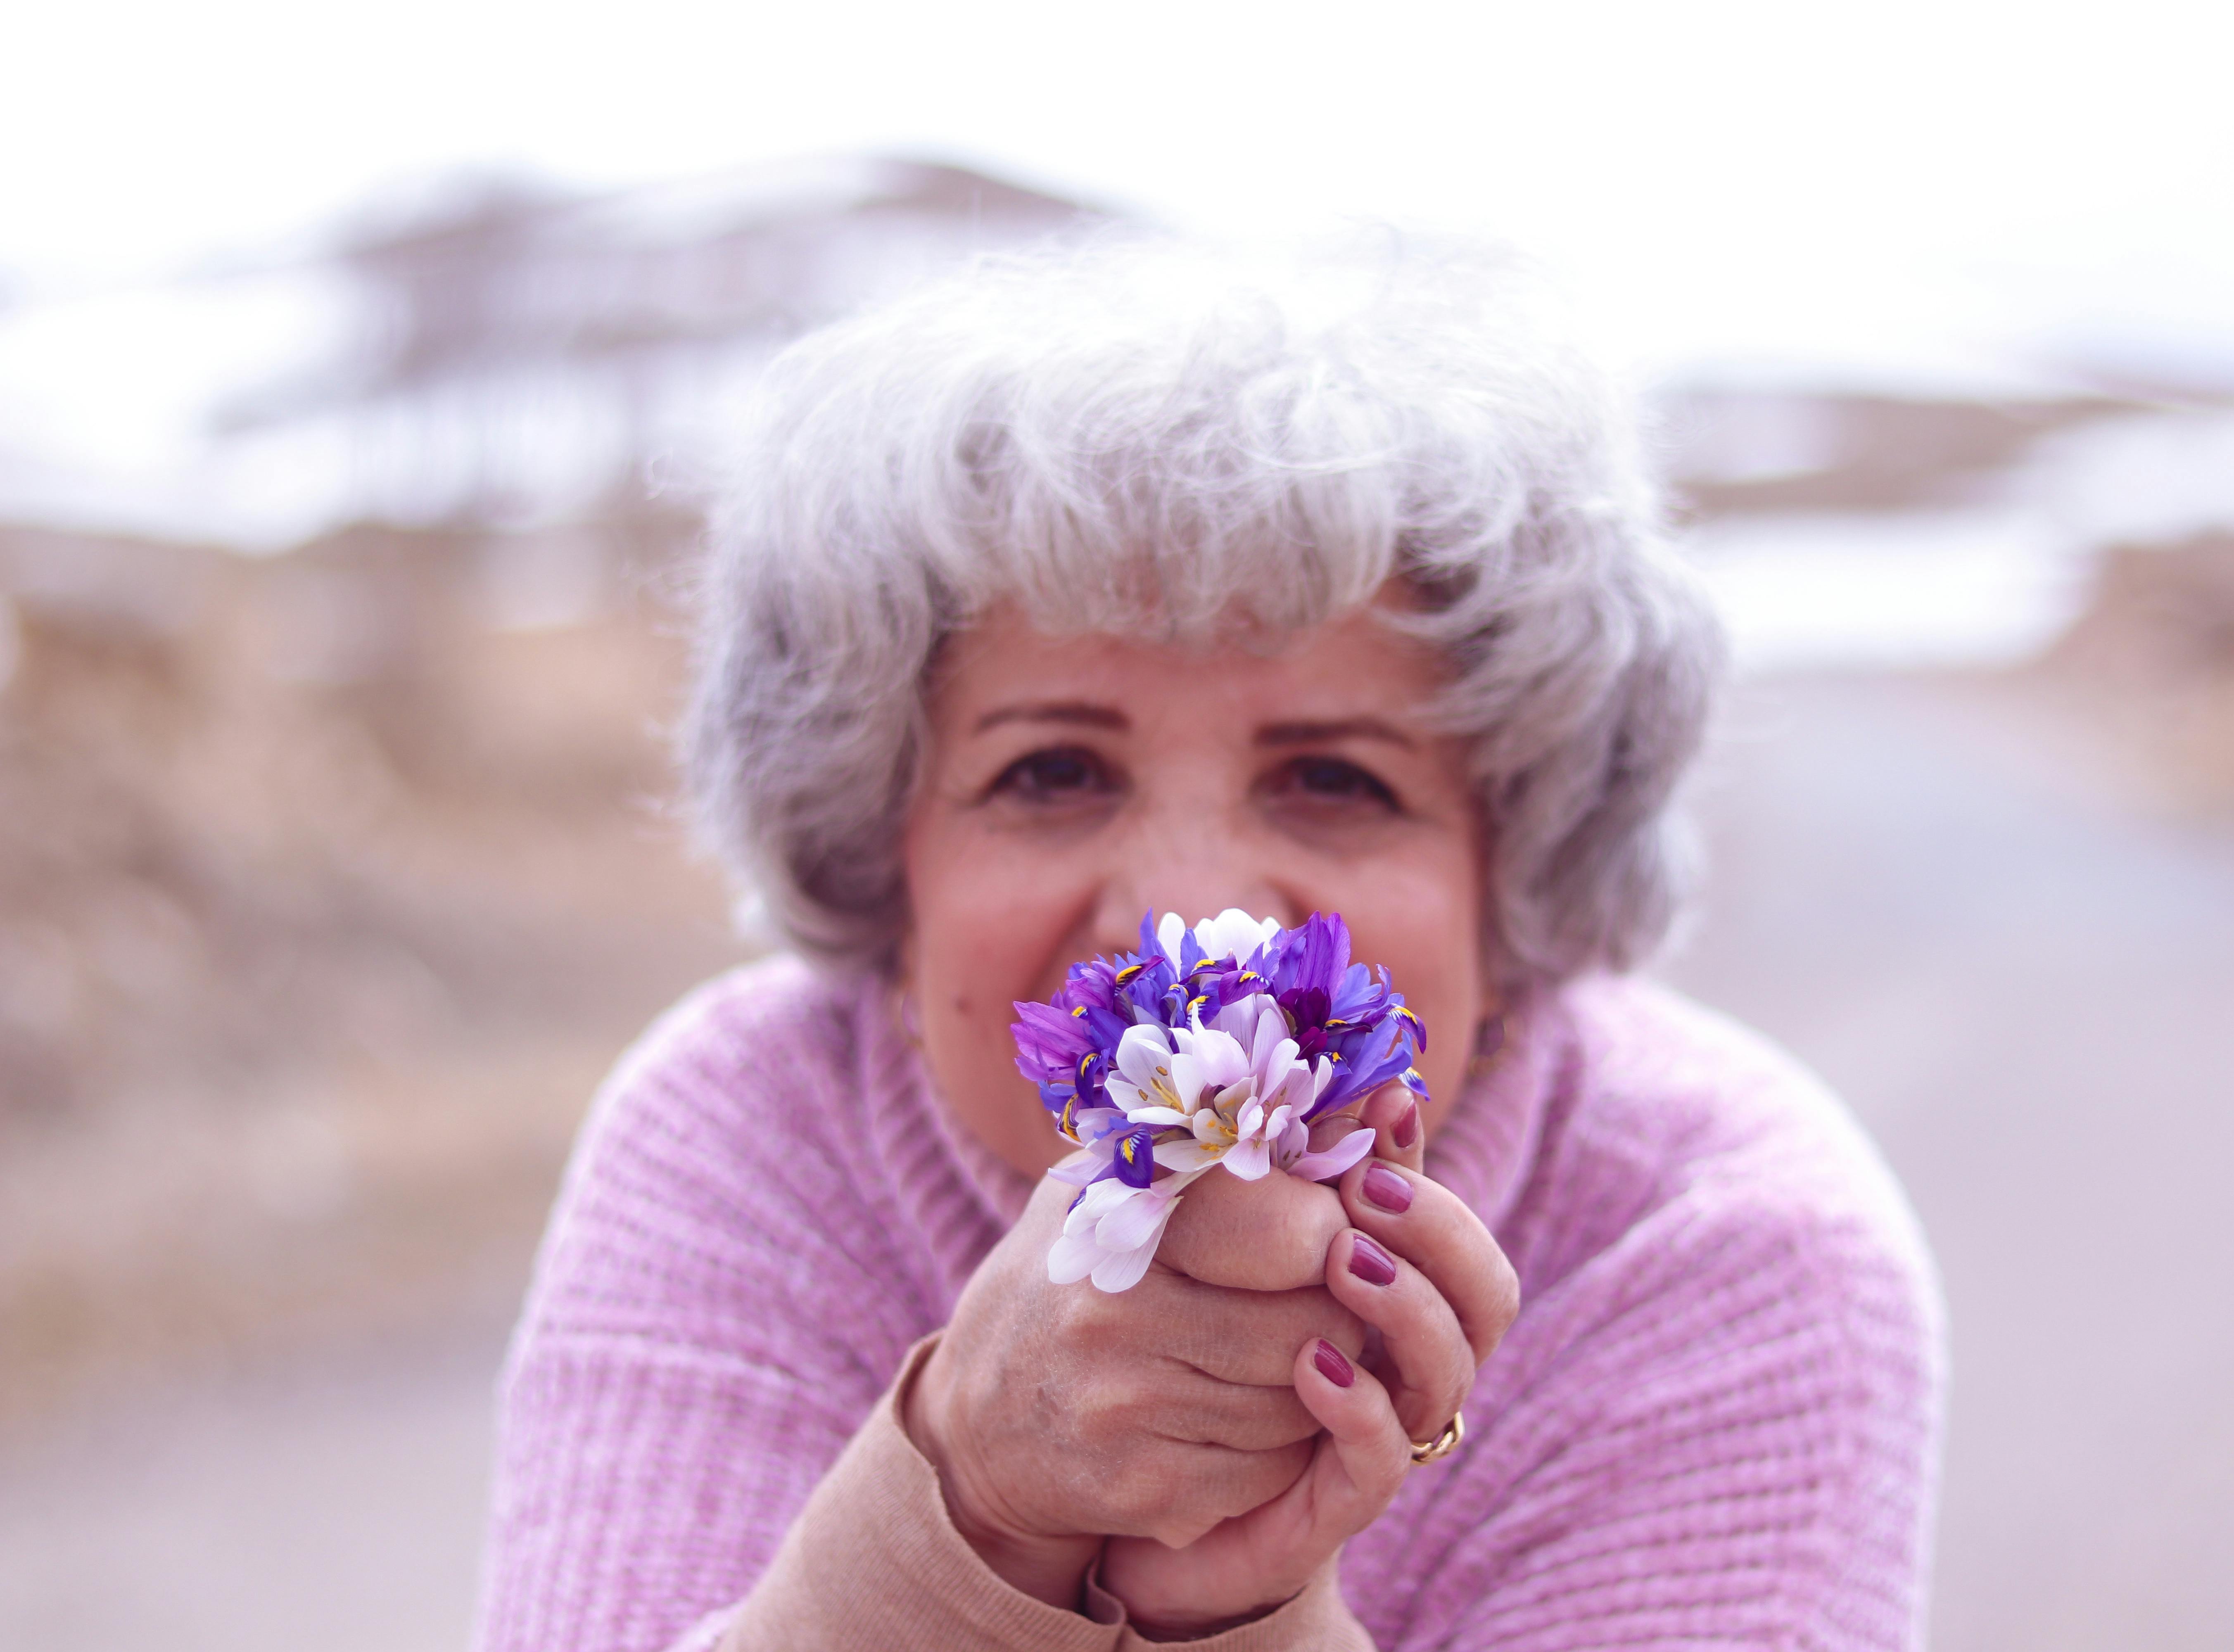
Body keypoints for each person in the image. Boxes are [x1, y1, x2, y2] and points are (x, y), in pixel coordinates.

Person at [473, 236, 1945, 1651]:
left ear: (1520, 889)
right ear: (883, 855)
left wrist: (1228, 1615)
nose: (1195, 922)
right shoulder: (744, 1139)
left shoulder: (1727, 1257)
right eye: (1052, 772)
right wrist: (971, 1501)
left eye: (1334, 779)